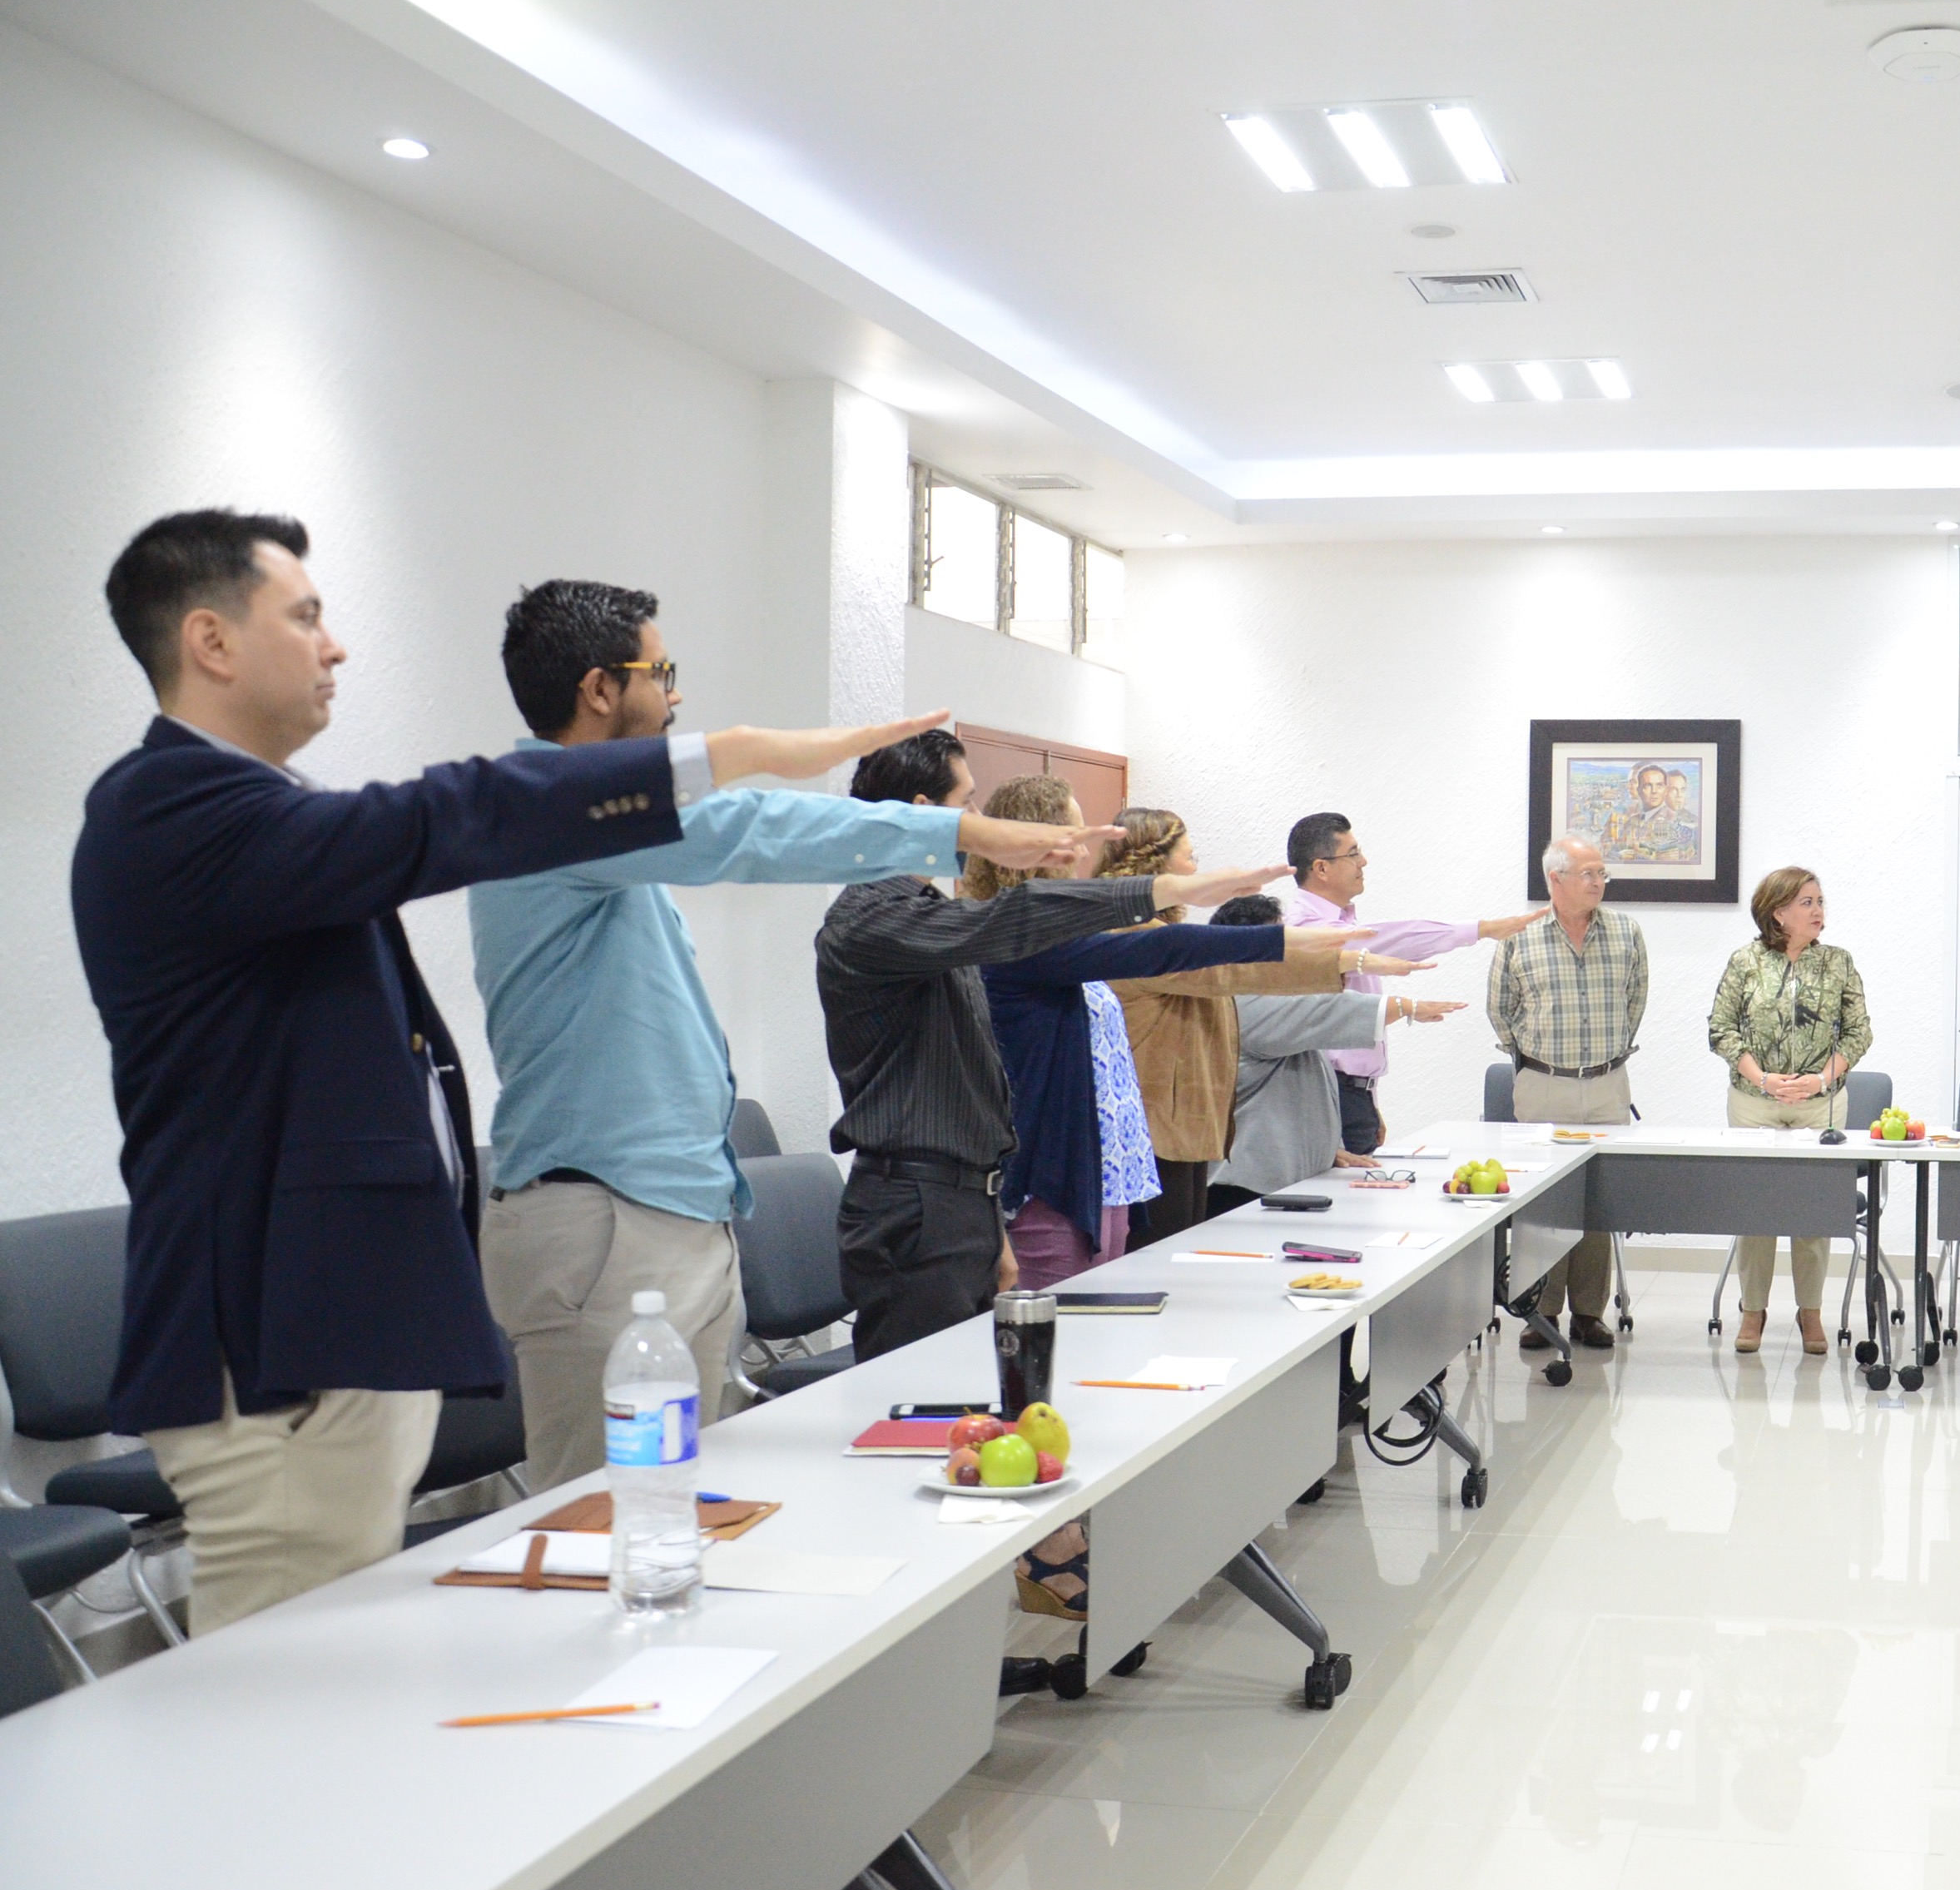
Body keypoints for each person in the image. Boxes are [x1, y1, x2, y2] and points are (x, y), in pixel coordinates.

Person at [71, 508, 937, 1631]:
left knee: (330, 1672)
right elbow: (450, 816)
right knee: (291, 1686)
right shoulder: (169, 809)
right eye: (307, 616)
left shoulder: (249, 815)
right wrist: (734, 756)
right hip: (273, 1332)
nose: (334, 645)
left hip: (328, 1326)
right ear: (211, 642)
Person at [469, 583, 1110, 1486]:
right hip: (604, 1218)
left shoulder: (602, 833)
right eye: (665, 672)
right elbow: (756, 829)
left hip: (666, 1215)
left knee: (677, 1504)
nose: (679, 695)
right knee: (605, 1515)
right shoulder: (547, 811)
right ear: (600, 690)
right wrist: (962, 833)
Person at [816, 738, 1288, 1359]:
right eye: (969, 806)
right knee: (927, 1406)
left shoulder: (930, 916)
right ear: (925, 810)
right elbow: (1018, 920)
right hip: (917, 1208)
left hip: (962, 1201)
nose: (981, 825)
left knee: (985, 1403)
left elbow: (982, 1084)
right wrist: (1162, 890)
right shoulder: (876, 919)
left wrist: (992, 1226)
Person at [966, 783, 1363, 1290]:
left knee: (1120, 1309)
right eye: (1074, 832)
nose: (1085, 849)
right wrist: (1323, 954)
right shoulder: (1033, 936)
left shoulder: (1071, 933)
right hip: (1066, 1166)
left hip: (1114, 1161)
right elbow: (1191, 955)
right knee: (1075, 1318)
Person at [1098, 808, 1426, 1248]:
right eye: (1189, 859)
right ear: (1157, 867)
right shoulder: (1137, 937)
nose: (1197, 870)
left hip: (1187, 1133)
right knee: (1162, 1269)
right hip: (1159, 1132)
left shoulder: (1158, 935)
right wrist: (1350, 960)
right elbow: (1237, 971)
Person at [1283, 811, 1536, 1154]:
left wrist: (1369, 1099)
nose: (1364, 861)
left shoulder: (1341, 926)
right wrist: (1483, 929)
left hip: (1352, 1095)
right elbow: (1396, 937)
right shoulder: (1306, 930)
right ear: (1321, 868)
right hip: (1324, 1095)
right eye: (1353, 853)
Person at [1489, 835, 1649, 1351]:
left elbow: (1636, 1000)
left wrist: (1604, 1057)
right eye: (1589, 874)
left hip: (1606, 1085)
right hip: (1542, 1083)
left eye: (1603, 874)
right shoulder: (1520, 936)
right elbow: (1500, 1010)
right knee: (1543, 1203)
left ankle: (1588, 1313)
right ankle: (1542, 1312)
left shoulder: (1626, 932)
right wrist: (1539, 1060)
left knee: (1597, 1203)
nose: (1599, 882)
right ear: (1554, 880)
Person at [1707, 866, 1873, 1356]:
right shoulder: (1745, 963)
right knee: (1755, 1208)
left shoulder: (1838, 963)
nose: (1818, 911)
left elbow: (1860, 1033)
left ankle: (1811, 1313)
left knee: (1813, 1211)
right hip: (1754, 1102)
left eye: (1820, 901)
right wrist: (1763, 1079)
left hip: (1820, 1106)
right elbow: (1720, 1029)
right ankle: (1752, 1311)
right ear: (1778, 912)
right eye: (1807, 902)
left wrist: (1821, 1079)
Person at [1211, 895, 1466, 1208]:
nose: (1294, 955)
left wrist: (1327, 1147)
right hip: (1244, 1187)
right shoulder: (1242, 1004)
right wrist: (1406, 1007)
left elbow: (1300, 1081)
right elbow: (1327, 1012)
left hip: (1282, 1181)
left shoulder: (1273, 999)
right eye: (1284, 944)